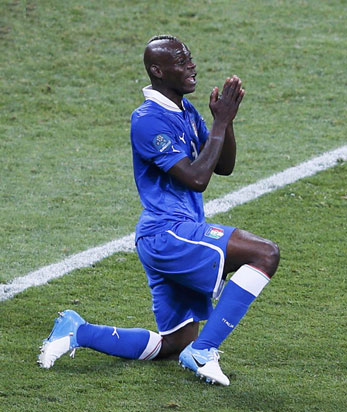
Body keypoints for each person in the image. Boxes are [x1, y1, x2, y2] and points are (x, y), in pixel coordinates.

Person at [38, 35, 280, 386]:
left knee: (174, 343)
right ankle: (204, 351)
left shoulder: (185, 111)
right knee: (265, 253)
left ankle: (78, 330)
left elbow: (223, 166)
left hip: (170, 234)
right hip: (167, 233)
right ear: (158, 70)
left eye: (190, 58)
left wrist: (224, 122)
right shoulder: (147, 120)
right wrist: (219, 124)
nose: (191, 66)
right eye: (181, 62)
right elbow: (196, 178)